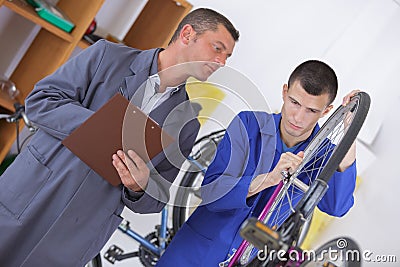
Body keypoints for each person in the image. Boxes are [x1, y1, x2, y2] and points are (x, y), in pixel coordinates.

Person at [0, 8, 239, 266]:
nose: (221, 62)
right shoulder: (107, 56)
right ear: (187, 34)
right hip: (33, 193)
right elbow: (41, 101)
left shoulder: (187, 123)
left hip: (80, 230)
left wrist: (140, 186)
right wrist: (104, 128)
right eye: (217, 48)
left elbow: (157, 198)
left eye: (227, 56)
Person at [156, 60, 360, 266]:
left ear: (326, 111)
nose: (298, 117)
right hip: (195, 252)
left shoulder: (323, 155)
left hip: (250, 260)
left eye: (311, 111)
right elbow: (211, 192)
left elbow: (337, 206)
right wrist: (269, 179)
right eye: (294, 102)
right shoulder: (247, 125)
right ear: (284, 92)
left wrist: (350, 135)